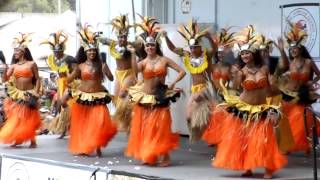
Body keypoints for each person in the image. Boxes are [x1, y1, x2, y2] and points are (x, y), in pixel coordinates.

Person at [213, 26, 289, 179]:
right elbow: (234, 88)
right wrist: (233, 76)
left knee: (265, 139)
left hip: (261, 108)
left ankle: (269, 168)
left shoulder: (265, 69)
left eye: (247, 52)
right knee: (244, 139)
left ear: (254, 53)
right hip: (244, 109)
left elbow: (284, 66)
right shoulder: (241, 72)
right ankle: (247, 167)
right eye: (242, 53)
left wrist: (281, 50)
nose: (244, 56)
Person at [125, 16, 186, 166]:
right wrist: (132, 54)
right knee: (146, 128)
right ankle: (149, 155)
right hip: (146, 97)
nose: (150, 48)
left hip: (160, 96)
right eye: (147, 46)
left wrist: (173, 84)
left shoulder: (164, 60)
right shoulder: (143, 62)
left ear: (156, 46)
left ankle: (164, 157)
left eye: (152, 45)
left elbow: (182, 71)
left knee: (161, 128)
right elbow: (134, 71)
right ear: (144, 48)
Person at [63, 24, 117, 157]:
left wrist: (105, 68)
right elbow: (69, 80)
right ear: (85, 52)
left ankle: (97, 145)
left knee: (99, 123)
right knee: (83, 124)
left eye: (94, 51)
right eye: (89, 51)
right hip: (83, 97)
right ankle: (84, 146)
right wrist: (63, 70)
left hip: (98, 97)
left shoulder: (101, 64)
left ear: (96, 52)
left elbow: (110, 78)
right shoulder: (80, 66)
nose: (91, 53)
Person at [163, 19, 216, 141]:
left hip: (206, 87)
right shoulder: (187, 55)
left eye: (195, 47)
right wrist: (166, 38)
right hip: (194, 88)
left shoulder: (206, 55)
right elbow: (173, 49)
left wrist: (209, 38)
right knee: (188, 117)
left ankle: (211, 132)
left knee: (204, 110)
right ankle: (196, 133)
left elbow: (214, 48)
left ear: (199, 47)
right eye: (191, 47)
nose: (192, 50)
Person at [279, 21, 320, 154]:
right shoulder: (290, 63)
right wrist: (281, 50)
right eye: (291, 49)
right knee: (288, 121)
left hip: (302, 95)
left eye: (295, 48)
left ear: (300, 49)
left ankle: (304, 143)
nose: (293, 50)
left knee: (301, 120)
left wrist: (312, 82)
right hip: (288, 95)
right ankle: (288, 146)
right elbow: (282, 69)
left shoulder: (308, 62)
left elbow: (319, 75)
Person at [0, 32, 41, 148]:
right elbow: (4, 79)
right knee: (17, 117)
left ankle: (33, 140)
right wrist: (5, 69)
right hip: (17, 94)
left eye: (17, 51)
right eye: (14, 51)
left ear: (23, 51)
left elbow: (37, 79)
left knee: (30, 117)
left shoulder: (32, 64)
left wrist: (36, 92)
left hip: (29, 93)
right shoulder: (13, 66)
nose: (15, 53)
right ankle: (18, 138)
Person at [99, 14, 137, 132]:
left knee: (122, 94)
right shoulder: (113, 45)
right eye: (120, 37)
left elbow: (140, 44)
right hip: (118, 74)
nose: (122, 39)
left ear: (127, 37)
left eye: (124, 37)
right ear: (118, 37)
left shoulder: (131, 45)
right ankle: (129, 118)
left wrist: (134, 49)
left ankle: (132, 116)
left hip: (130, 74)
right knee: (116, 100)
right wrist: (96, 37)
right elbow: (103, 40)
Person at [201, 27, 239, 145]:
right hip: (215, 93)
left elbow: (235, 82)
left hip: (227, 95)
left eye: (223, 53)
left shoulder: (231, 67)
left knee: (224, 117)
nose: (221, 55)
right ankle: (215, 138)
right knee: (215, 117)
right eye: (219, 53)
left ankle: (224, 138)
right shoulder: (212, 66)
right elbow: (209, 77)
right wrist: (208, 38)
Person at [41, 30, 77, 138]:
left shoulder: (69, 58)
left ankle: (72, 127)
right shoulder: (55, 60)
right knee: (61, 105)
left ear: (62, 50)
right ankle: (63, 129)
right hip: (61, 83)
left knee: (67, 104)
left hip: (70, 82)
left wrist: (73, 83)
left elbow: (76, 71)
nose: (56, 54)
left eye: (58, 52)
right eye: (55, 52)